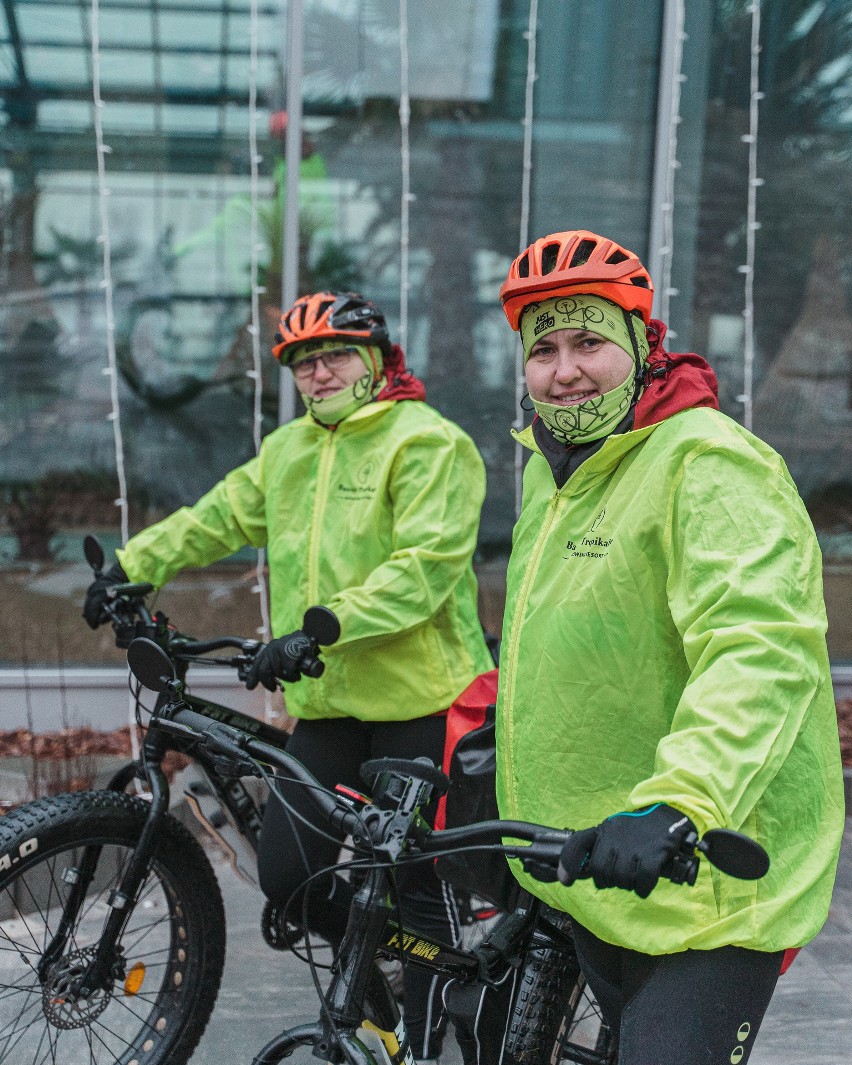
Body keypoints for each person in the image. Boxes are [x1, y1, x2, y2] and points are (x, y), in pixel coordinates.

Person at [84, 290, 494, 1061]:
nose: (319, 373)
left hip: (424, 702)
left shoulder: (430, 443)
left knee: (414, 888)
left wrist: (319, 626)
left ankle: (436, 1030)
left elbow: (425, 570)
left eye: (335, 355)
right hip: (332, 703)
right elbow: (218, 516)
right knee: (289, 874)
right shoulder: (289, 450)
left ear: (376, 361)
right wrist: (130, 568)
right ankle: (378, 975)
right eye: (304, 363)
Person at [494, 229, 845, 1064]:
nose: (565, 368)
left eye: (589, 342)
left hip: (705, 876)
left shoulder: (710, 463)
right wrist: (504, 733)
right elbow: (575, 629)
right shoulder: (555, 468)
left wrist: (680, 800)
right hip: (605, 870)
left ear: (643, 347)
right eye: (543, 349)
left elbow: (758, 649)